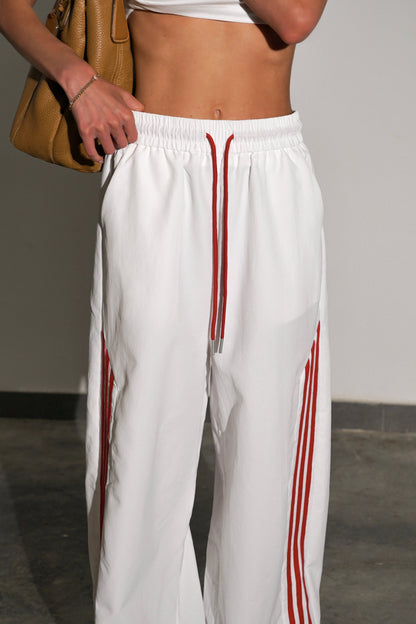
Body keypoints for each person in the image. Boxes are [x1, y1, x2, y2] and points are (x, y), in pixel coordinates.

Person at [0, 0, 331, 621]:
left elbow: (294, 18)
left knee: (270, 431)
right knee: (142, 428)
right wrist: (78, 81)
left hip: (269, 167)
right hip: (155, 162)